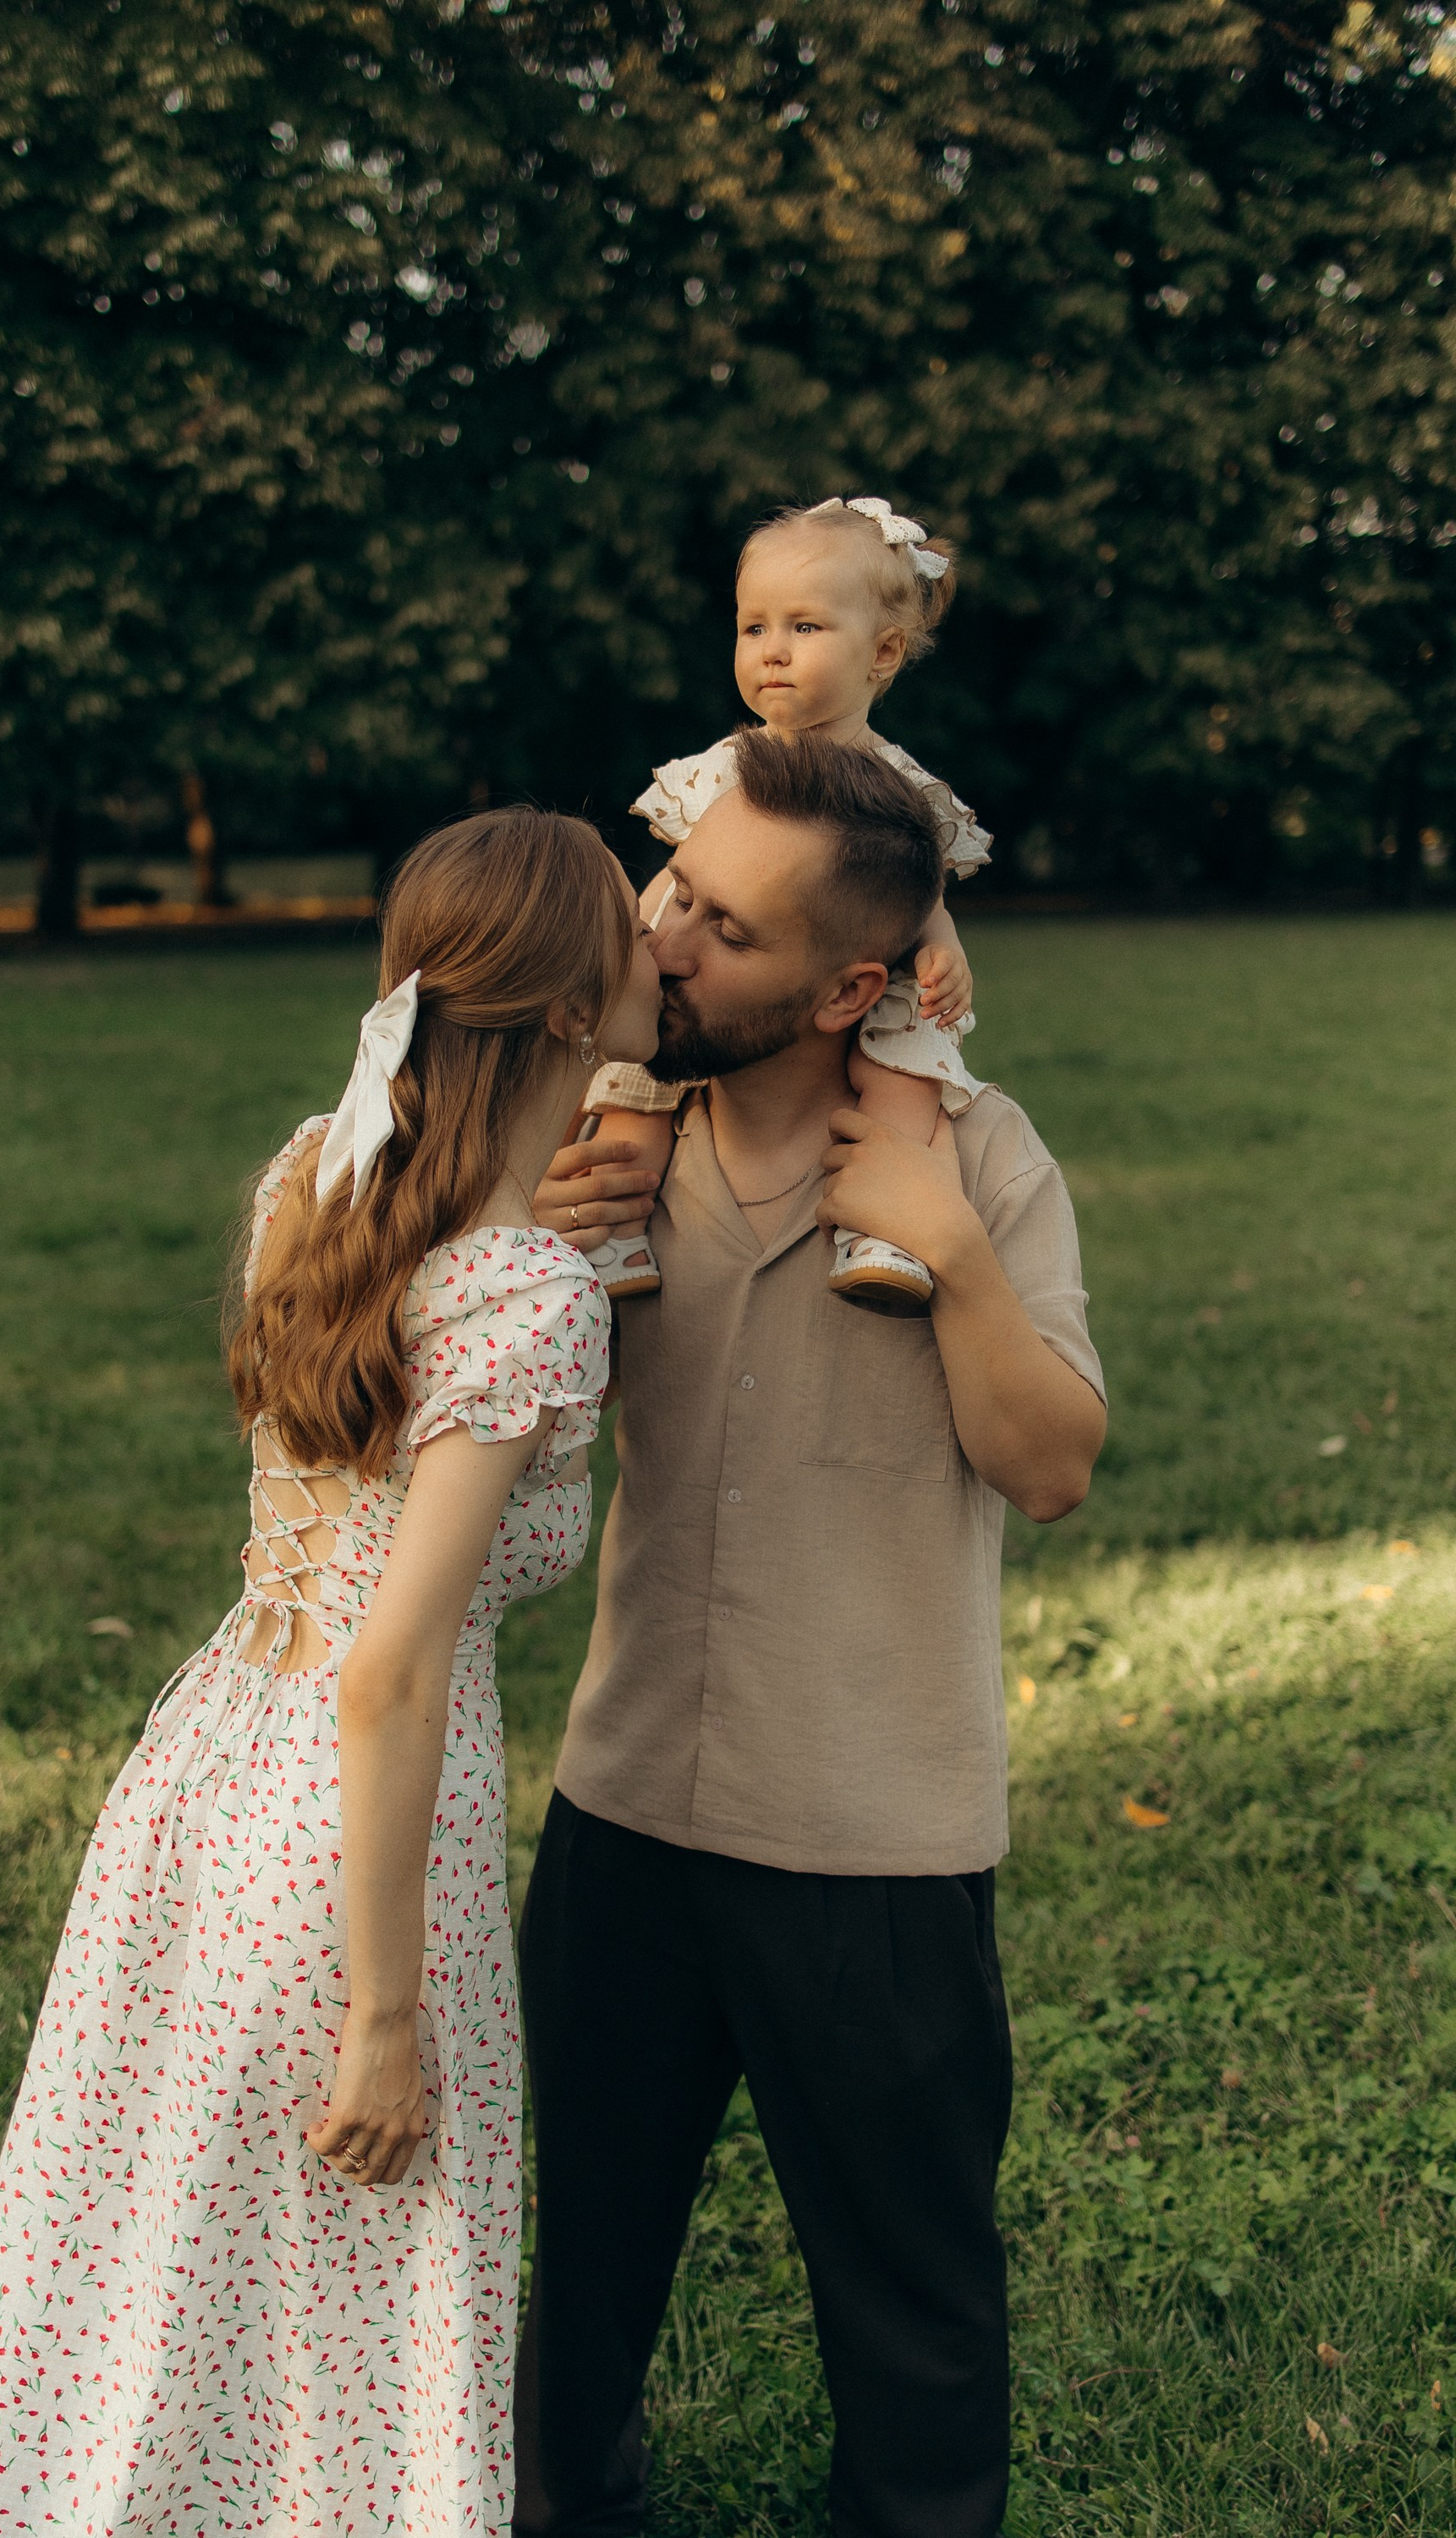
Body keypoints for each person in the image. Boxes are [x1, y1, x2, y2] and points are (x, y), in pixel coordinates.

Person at [0, 808, 660, 2538]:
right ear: (560, 1014)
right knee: (355, 2252)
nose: (662, 940)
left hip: (212, 1759)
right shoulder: (529, 1292)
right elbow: (393, 1671)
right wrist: (386, 2015)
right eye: (633, 920)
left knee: (157, 2223)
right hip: (356, 1820)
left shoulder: (317, 1171)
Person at [518, 730, 1107, 2538]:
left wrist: (953, 1257)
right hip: (621, 1809)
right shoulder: (604, 1142)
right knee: (580, 2249)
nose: (672, 941)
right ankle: (560, 2503)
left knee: (907, 2285)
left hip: (869, 1836)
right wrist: (532, 1243)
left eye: (730, 931)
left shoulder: (980, 1159)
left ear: (856, 985)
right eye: (678, 891)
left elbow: (1053, 1464)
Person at [584, 493, 992, 1312]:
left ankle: (883, 1224)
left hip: (871, 962)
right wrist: (628, 936)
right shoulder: (723, 769)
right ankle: (614, 1229)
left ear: (881, 652)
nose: (771, 651)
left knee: (906, 1061)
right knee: (637, 1071)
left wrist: (942, 942)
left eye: (803, 628)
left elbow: (918, 889)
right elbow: (681, 880)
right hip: (711, 953)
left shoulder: (900, 786)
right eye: (753, 627)